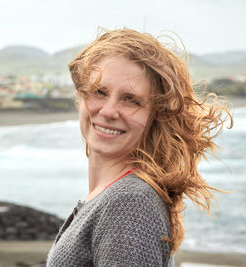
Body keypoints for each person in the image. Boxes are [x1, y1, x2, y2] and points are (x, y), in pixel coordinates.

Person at [46, 28, 233, 266]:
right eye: (99, 92)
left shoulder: (130, 203)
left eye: (131, 100)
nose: (109, 111)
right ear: (80, 97)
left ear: (156, 116)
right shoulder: (112, 195)